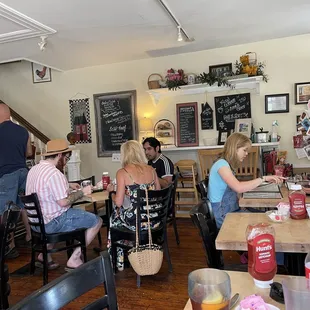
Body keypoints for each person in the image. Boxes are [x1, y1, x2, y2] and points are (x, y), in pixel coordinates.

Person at [26, 139, 102, 270]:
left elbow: (45, 188)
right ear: (60, 155)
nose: (66, 161)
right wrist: (82, 192)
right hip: (52, 224)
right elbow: (63, 202)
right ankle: (75, 258)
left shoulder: (34, 170)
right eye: (67, 157)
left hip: (36, 224)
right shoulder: (55, 173)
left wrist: (68, 184)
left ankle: (43, 256)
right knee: (96, 221)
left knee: (54, 212)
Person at [208, 133, 284, 230]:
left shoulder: (225, 164)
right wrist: (263, 179)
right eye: (244, 150)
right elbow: (238, 188)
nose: (246, 154)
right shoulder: (221, 165)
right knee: (267, 222)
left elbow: (236, 187)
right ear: (234, 148)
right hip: (223, 214)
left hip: (230, 209)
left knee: (267, 217)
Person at [106, 140, 161, 270]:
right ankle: (133, 249)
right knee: (121, 215)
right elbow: (157, 194)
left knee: (114, 219)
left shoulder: (123, 172)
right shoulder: (151, 170)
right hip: (153, 219)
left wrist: (112, 193)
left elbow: (119, 202)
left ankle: (119, 260)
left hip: (135, 222)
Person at [0, 103, 33, 258]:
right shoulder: (23, 131)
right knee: (23, 206)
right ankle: (30, 236)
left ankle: (9, 246)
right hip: (23, 172)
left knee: (6, 210)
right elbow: (28, 152)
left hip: (6, 175)